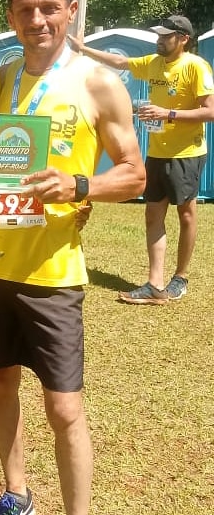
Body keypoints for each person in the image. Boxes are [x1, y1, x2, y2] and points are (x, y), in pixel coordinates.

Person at [0, 0, 145, 515]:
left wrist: (80, 187)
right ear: (10, 17)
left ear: (71, 12)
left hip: (54, 277)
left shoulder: (98, 82)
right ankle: (16, 493)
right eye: (25, 9)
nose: (37, 19)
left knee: (65, 408)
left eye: (49, 8)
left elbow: (134, 173)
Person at [68, 15, 214, 304]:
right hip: (156, 153)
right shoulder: (154, 63)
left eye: (166, 36)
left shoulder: (196, 66)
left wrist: (168, 114)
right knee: (153, 214)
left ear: (183, 39)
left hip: (186, 154)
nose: (160, 40)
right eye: (159, 35)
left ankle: (180, 277)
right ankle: (155, 285)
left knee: (186, 215)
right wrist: (83, 49)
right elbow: (120, 62)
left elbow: (210, 111)